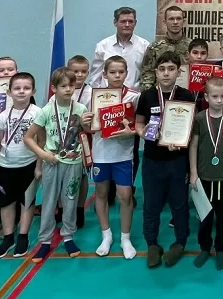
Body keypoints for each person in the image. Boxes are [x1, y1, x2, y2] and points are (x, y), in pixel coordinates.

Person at [135, 51, 195, 268]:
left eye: (171, 69)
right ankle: (152, 244)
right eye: (162, 69)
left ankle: (180, 242)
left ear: (178, 72)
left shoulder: (187, 96)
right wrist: (145, 134)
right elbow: (139, 124)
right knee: (151, 204)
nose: (166, 73)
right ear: (156, 72)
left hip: (178, 159)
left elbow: (191, 128)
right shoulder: (147, 96)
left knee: (179, 204)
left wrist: (181, 140)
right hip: (152, 159)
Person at [24, 68, 88, 262]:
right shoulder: (46, 110)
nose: (68, 89)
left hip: (74, 162)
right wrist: (43, 154)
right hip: (52, 163)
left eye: (71, 85)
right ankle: (45, 241)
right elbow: (28, 138)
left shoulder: (81, 109)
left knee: (70, 200)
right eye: (63, 86)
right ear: (54, 88)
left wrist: (88, 124)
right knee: (49, 201)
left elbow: (88, 132)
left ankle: (68, 237)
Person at [83, 56, 140, 259]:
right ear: (104, 74)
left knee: (125, 196)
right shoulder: (94, 96)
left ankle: (126, 238)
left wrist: (132, 131)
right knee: (101, 193)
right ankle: (106, 235)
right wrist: (85, 123)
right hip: (101, 154)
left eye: (121, 72)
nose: (117, 76)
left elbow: (139, 124)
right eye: (112, 72)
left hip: (123, 154)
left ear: (127, 73)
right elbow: (88, 127)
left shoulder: (134, 96)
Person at [0, 72, 41, 258]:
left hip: (29, 164)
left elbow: (42, 142)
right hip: (6, 166)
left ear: (33, 91)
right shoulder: (2, 116)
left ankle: (23, 237)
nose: (21, 91)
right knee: (6, 203)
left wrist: (39, 166)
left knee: (27, 202)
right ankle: (8, 237)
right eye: (17, 88)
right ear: (9, 92)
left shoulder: (38, 113)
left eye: (26, 88)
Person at [190, 78, 223, 270]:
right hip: (204, 176)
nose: (219, 100)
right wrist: (193, 172)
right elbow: (193, 146)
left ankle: (220, 249)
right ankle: (205, 248)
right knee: (205, 216)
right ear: (206, 97)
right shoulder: (199, 118)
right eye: (214, 96)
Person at [0, 56, 35, 240]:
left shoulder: (27, 96)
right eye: (1, 70)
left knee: (20, 190)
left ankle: (17, 222)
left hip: (21, 153)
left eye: (10, 69)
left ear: (16, 72)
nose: (6, 72)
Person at [89, 7, 150, 90]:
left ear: (135, 23)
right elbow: (95, 76)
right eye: (123, 21)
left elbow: (148, 75)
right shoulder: (103, 46)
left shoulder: (144, 46)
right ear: (115, 22)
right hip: (107, 95)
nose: (127, 25)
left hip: (134, 95)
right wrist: (98, 94)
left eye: (130, 21)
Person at [140, 5, 191, 90]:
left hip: (186, 94)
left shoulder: (192, 47)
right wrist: (148, 95)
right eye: (171, 19)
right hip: (159, 94)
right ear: (165, 22)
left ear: (183, 21)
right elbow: (147, 75)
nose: (175, 22)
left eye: (178, 19)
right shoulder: (155, 47)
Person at [68, 54, 92, 224]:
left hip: (83, 138)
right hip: (62, 140)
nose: (79, 74)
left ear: (88, 73)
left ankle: (80, 208)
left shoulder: (92, 93)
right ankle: (62, 208)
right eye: (75, 71)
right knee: (63, 175)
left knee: (82, 175)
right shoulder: (61, 89)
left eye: (83, 71)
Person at [185, 38, 210, 111]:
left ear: (207, 55)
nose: (199, 57)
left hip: (205, 112)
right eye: (195, 53)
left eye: (203, 53)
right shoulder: (181, 73)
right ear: (188, 54)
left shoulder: (212, 75)